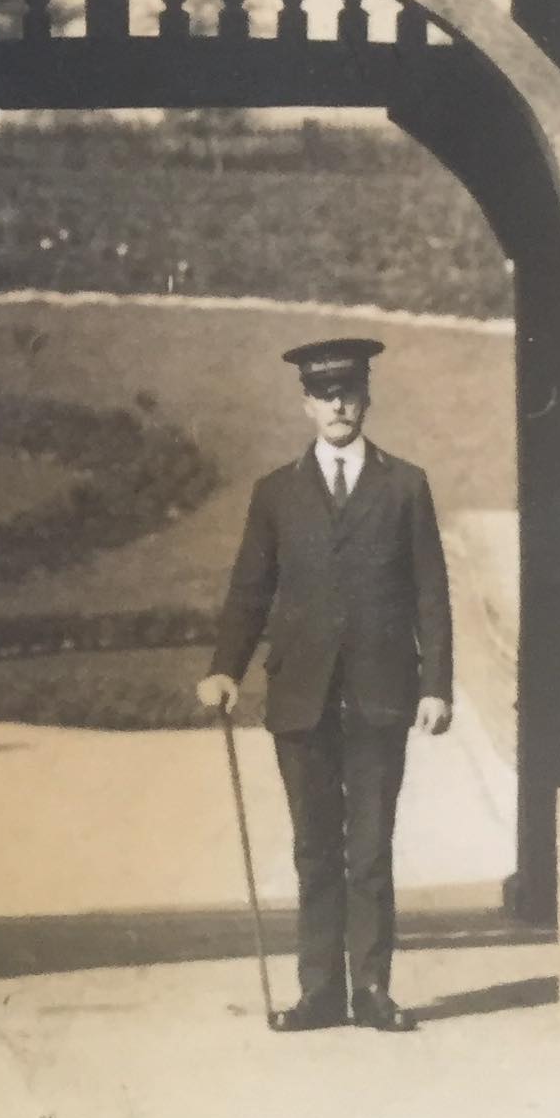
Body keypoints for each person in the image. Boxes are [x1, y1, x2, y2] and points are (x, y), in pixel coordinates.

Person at [197, 335, 452, 1033]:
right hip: (302, 697)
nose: (338, 403)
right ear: (306, 403)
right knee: (315, 847)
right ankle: (319, 993)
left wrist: (437, 685)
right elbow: (250, 591)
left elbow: (431, 592)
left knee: (370, 847)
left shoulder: (405, 486)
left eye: (350, 390)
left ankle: (371, 988)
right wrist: (225, 666)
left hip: (379, 694)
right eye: (324, 393)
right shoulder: (276, 494)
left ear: (366, 397)